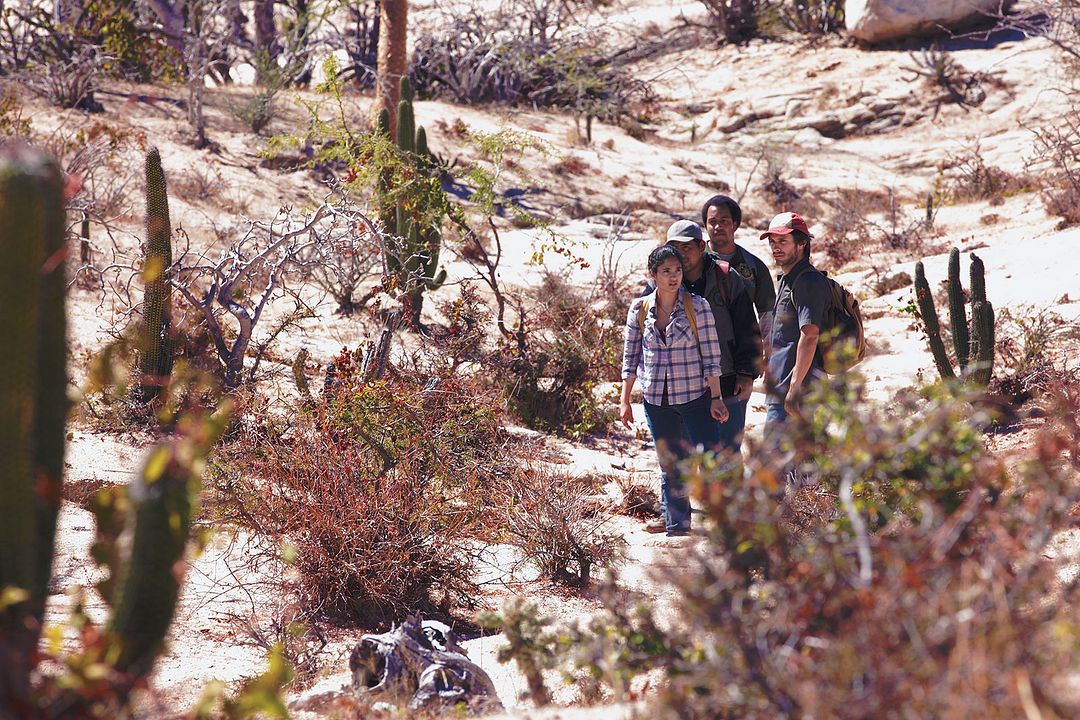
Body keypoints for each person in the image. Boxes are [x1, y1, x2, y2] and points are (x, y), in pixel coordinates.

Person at [620, 244, 729, 536]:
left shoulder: (698, 306)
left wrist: (716, 397)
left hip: (695, 396)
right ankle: (677, 527)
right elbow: (631, 357)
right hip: (656, 399)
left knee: (709, 459)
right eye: (666, 271)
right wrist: (625, 401)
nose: (673, 277)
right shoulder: (639, 309)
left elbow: (711, 355)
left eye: (677, 270)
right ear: (653, 274)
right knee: (671, 465)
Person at [664, 219, 761, 453]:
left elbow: (747, 327)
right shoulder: (664, 282)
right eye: (674, 248)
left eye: (686, 247)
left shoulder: (727, 278)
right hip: (683, 384)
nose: (680, 253)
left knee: (726, 453)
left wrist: (746, 373)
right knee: (690, 457)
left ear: (702, 246)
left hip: (727, 380)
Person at [761, 211, 832, 443]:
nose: (776, 247)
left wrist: (794, 388)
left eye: (783, 241)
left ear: (802, 243)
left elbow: (810, 335)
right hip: (783, 389)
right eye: (773, 242)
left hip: (798, 392)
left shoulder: (807, 281)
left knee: (776, 465)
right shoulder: (787, 279)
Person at [700, 194, 776, 339]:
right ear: (705, 226)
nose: (718, 226)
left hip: (744, 350)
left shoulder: (754, 266)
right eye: (712, 221)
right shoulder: (694, 262)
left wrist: (767, 355)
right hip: (699, 351)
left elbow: (767, 316)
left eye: (724, 221)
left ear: (735, 224)